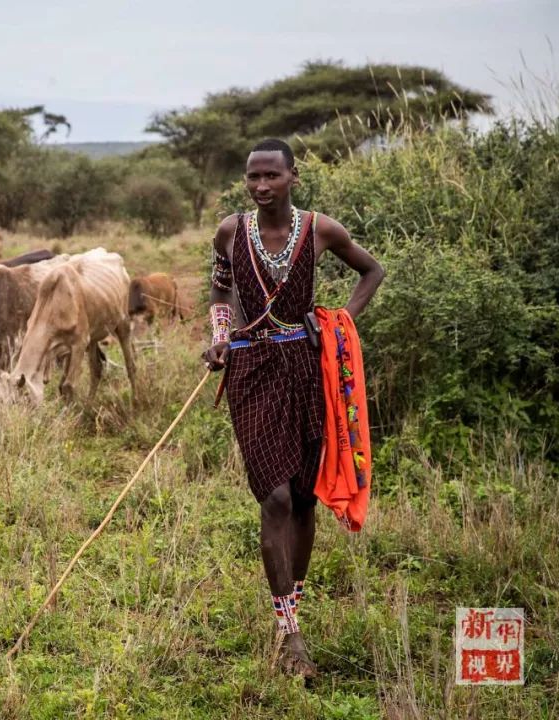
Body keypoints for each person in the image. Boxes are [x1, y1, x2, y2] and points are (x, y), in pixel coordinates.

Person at [203, 138, 385, 677]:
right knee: (276, 496)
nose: (261, 187)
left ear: (293, 177)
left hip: (309, 372)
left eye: (271, 177)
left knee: (304, 498)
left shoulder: (320, 230)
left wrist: (338, 320)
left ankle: (288, 616)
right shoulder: (231, 231)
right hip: (251, 371)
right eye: (253, 177)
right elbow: (219, 291)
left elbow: (371, 271)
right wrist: (219, 337)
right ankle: (291, 636)